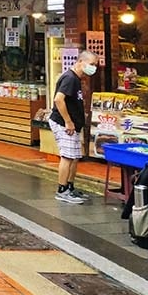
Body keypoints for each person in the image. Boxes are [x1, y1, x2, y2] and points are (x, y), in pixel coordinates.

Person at [50, 49, 99, 204]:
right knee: (67, 156)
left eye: (95, 65)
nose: (93, 67)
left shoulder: (76, 79)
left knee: (75, 157)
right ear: (80, 62)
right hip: (64, 124)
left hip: (73, 125)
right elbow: (59, 100)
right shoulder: (70, 78)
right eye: (91, 64)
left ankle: (70, 186)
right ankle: (62, 189)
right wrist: (68, 121)